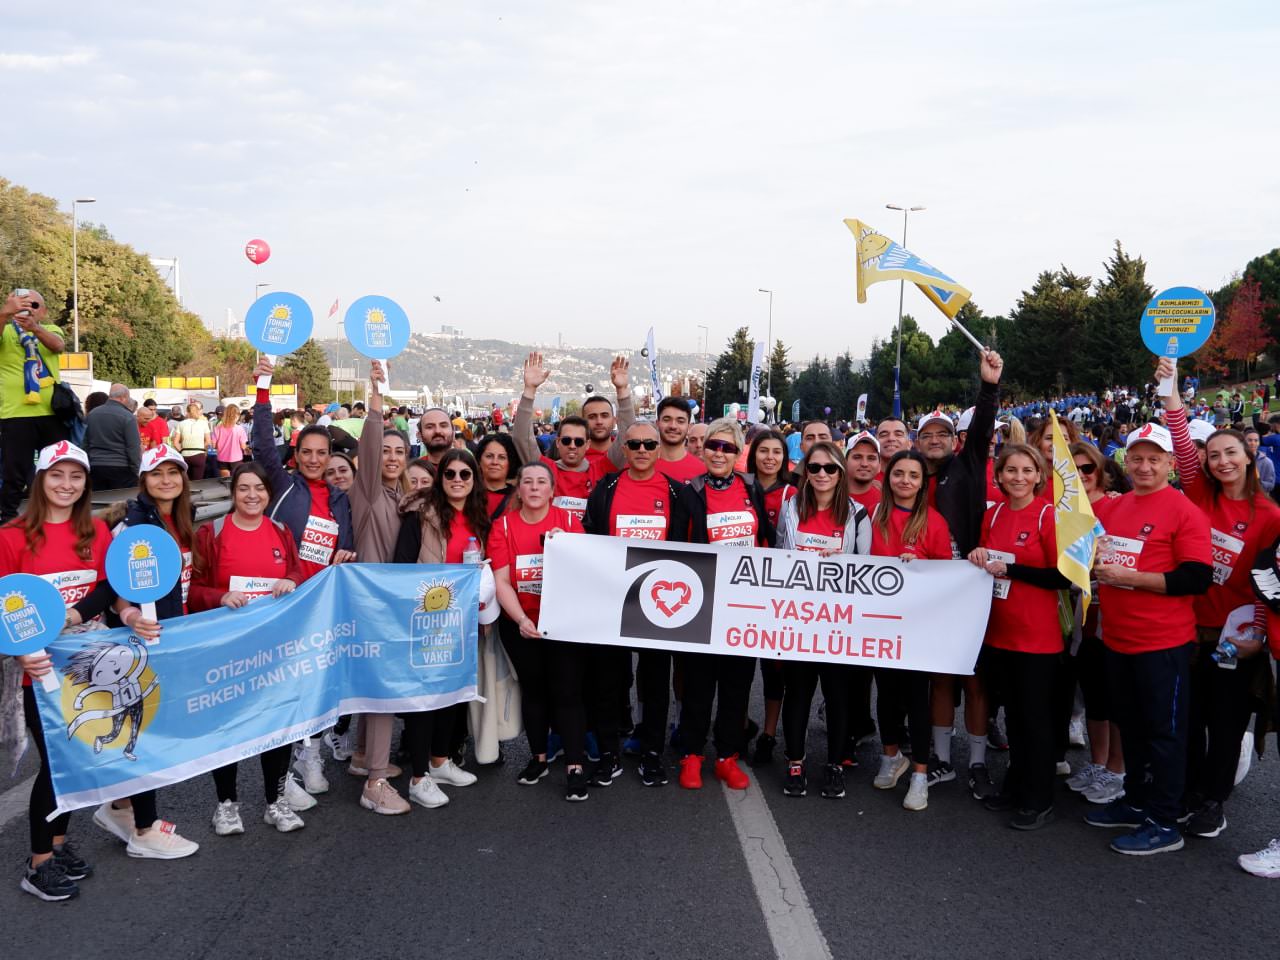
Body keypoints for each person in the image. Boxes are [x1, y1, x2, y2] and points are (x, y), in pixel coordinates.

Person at [0, 441, 161, 900]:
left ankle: (56, 843)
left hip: (90, 664)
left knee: (78, 758)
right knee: (56, 765)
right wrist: (17, 653)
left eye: (75, 478)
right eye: (57, 476)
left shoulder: (96, 530)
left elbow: (112, 588)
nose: (66, 485)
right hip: (40, 668)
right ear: (40, 480)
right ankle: (38, 864)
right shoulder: (11, 537)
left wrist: (130, 617)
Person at [1157, 356, 1280, 839]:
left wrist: (1260, 639)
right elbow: (1181, 439)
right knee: (1188, 719)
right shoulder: (1199, 495)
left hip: (1237, 639)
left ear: (1249, 455)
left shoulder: (1269, 515)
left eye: (1231, 453)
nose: (1222, 461)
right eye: (1214, 456)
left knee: (1225, 724)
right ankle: (1187, 790)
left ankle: (1214, 800)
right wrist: (1169, 385)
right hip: (1187, 629)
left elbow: (1273, 585)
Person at [1085, 422, 1212, 856]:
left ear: (1171, 465)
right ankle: (1136, 800)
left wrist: (1132, 579)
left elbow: (1197, 578)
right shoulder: (1115, 509)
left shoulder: (1184, 511)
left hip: (1162, 644)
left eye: (1154, 459)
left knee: (1164, 733)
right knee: (1133, 727)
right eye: (1136, 458)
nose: (1143, 466)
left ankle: (1165, 820)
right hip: (1118, 640)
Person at [251, 357, 356, 798]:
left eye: (321, 454)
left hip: (323, 603)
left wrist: (348, 554)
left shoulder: (338, 498)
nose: (314, 460)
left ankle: (310, 752)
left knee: (317, 682)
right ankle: (290, 766)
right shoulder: (281, 483)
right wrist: (263, 384)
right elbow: (260, 439)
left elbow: (344, 545)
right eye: (307, 453)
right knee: (286, 686)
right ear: (295, 455)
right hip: (285, 602)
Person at [90, 444, 202, 858]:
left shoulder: (180, 519)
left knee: (152, 727)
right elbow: (113, 590)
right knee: (146, 733)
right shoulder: (134, 525)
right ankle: (144, 830)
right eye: (158, 474)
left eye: (174, 473)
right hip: (142, 645)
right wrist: (130, 614)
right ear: (144, 481)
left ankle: (120, 806)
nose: (166, 480)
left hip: (172, 637)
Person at [582, 420, 703, 787]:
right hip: (612, 601)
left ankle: (652, 752)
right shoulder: (606, 489)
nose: (641, 451)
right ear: (624, 446)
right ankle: (608, 753)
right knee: (607, 681)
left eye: (649, 445)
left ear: (658, 448)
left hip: (657, 603)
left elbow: (693, 547)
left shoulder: (677, 492)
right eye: (633, 444)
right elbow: (588, 539)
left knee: (655, 682)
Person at [189, 462, 307, 834]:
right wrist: (219, 596)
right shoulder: (212, 532)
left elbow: (297, 571)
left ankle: (276, 801)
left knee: (277, 725)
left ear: (269, 494)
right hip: (227, 649)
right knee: (229, 727)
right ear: (232, 492)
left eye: (259, 488)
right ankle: (226, 804)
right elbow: (190, 590)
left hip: (272, 648)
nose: (252, 495)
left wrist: (289, 580)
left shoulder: (281, 531)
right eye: (244, 488)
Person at [967, 444, 1070, 829]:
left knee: (1035, 721)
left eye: (1027, 470)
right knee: (1013, 719)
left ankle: (1039, 797)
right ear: (1000, 475)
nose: (1019, 477)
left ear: (1039, 476)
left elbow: (1063, 576)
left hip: (1037, 638)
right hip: (1000, 633)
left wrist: (1012, 569)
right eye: (1011, 470)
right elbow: (987, 559)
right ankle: (1015, 785)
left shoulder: (1048, 514)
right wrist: (980, 557)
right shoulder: (992, 513)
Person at [916, 349, 1004, 790]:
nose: (934, 439)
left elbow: (985, 426)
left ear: (955, 441)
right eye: (926, 434)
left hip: (970, 586)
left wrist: (989, 386)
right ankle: (944, 759)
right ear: (917, 443)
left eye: (942, 433)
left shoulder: (967, 467)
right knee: (941, 677)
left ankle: (977, 761)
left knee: (975, 679)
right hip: (928, 590)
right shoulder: (909, 476)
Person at [681, 418, 775, 791]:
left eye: (728, 448)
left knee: (737, 684)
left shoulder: (752, 490)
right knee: (699, 684)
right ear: (703, 451)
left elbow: (765, 540)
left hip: (743, 606)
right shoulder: (690, 492)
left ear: (738, 454)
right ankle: (691, 755)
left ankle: (726, 755)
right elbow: (676, 548)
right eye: (714, 447)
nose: (720, 454)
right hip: (703, 604)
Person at [776, 440, 871, 799]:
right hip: (798, 617)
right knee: (797, 692)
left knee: (837, 695)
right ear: (805, 472)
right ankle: (795, 762)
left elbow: (868, 567)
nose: (821, 475)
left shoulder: (858, 513)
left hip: (838, 620)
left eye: (830, 468)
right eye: (814, 468)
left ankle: (834, 764)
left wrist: (842, 561)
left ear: (841, 473)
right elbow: (779, 556)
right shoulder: (791, 507)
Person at [489, 461, 589, 800]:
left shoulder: (569, 522)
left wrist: (567, 549)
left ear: (551, 490)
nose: (533, 488)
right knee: (533, 691)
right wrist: (520, 619)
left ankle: (575, 765)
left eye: (541, 482)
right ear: (519, 489)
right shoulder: (502, 526)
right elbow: (501, 581)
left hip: (563, 625)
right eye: (527, 482)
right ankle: (538, 758)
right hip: (521, 622)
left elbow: (587, 571)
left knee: (567, 692)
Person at [393, 448, 486, 803]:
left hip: (463, 621)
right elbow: (402, 567)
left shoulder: (479, 515)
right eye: (451, 474)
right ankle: (418, 778)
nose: (458, 480)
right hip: (427, 621)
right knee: (424, 700)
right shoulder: (421, 515)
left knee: (452, 695)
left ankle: (439, 760)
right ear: (440, 478)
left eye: (465, 474)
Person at [343, 361, 414, 814]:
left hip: (390, 603)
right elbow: (369, 451)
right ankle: (374, 782)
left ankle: (365, 755)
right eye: (384, 451)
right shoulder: (368, 492)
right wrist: (376, 402)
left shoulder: (401, 499)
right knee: (385, 687)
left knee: (375, 684)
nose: (389, 457)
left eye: (398, 452)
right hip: (371, 604)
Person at [869, 449, 953, 811]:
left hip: (917, 629)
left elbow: (948, 576)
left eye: (913, 475)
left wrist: (920, 566)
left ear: (923, 482)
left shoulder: (934, 522)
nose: (905, 480)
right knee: (886, 695)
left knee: (917, 701)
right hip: (877, 624)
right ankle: (892, 756)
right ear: (888, 477)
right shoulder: (871, 516)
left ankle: (920, 773)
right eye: (899, 473)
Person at [1063, 441, 1127, 805]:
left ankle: (1118, 769)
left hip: (1112, 614)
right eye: (1071, 471)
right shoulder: (1063, 511)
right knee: (1093, 693)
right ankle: (1098, 763)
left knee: (1114, 695)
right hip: (1078, 617)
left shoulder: (1116, 505)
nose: (1081, 476)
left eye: (1087, 469)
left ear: (1100, 471)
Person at [513, 352, 633, 520]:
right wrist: (529, 390)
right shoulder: (545, 470)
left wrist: (623, 392)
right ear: (558, 442)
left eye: (578, 441)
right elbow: (521, 437)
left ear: (587, 444)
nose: (572, 445)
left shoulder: (602, 469)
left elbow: (628, 436)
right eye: (567, 440)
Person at [744, 427, 794, 762]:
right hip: (743, 587)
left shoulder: (793, 492)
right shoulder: (738, 487)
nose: (770, 457)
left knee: (774, 669)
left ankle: (770, 733)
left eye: (777, 452)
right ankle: (737, 721)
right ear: (753, 454)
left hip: (780, 591)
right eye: (764, 451)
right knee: (739, 664)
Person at [0, 289, 67, 522]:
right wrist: (4, 314)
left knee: (59, 467)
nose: (28, 310)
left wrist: (34, 329)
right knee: (14, 472)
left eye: (34, 306)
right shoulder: (6, 331)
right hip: (15, 414)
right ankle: (7, 521)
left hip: (52, 413)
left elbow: (58, 346)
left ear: (44, 311)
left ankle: (60, 515)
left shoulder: (49, 329)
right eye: (22, 304)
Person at [83, 383, 142, 491]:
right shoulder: (128, 417)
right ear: (123, 397)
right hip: (121, 468)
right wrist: (136, 470)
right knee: (121, 505)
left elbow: (85, 443)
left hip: (95, 467)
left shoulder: (92, 414)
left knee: (97, 503)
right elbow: (133, 447)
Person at [654, 396, 704, 483]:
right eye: (667, 419)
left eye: (680, 421)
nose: (673, 426)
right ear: (657, 424)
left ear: (688, 427)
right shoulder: (642, 465)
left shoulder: (702, 472)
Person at [475, 433, 520, 519]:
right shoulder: (467, 494)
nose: (495, 462)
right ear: (479, 460)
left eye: (502, 457)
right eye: (489, 456)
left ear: (510, 462)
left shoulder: (519, 498)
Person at [845, 430, 882, 512]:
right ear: (845, 462)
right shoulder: (830, 497)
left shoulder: (887, 502)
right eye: (857, 457)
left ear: (879, 465)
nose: (864, 464)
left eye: (871, 458)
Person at [173, 401, 211, 479]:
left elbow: (175, 442)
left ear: (187, 412)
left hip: (185, 455)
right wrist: (202, 450)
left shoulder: (181, 424)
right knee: (198, 481)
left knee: (186, 482)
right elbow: (208, 441)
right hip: (199, 455)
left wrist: (181, 451)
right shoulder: (204, 423)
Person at [212, 404, 249, 478]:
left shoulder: (217, 428)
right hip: (236, 459)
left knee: (226, 482)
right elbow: (243, 446)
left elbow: (214, 445)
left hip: (222, 458)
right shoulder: (240, 429)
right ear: (237, 415)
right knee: (236, 481)